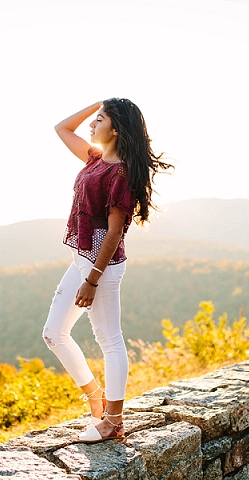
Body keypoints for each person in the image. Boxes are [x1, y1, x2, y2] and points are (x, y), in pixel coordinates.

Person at [42, 98, 173, 443]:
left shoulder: (120, 173)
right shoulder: (96, 158)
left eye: (99, 120)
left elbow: (115, 232)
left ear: (114, 129)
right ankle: (95, 396)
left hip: (103, 266)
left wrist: (92, 281)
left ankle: (113, 420)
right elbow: (62, 128)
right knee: (54, 334)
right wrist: (97, 104)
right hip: (82, 259)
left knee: (109, 340)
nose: (92, 125)